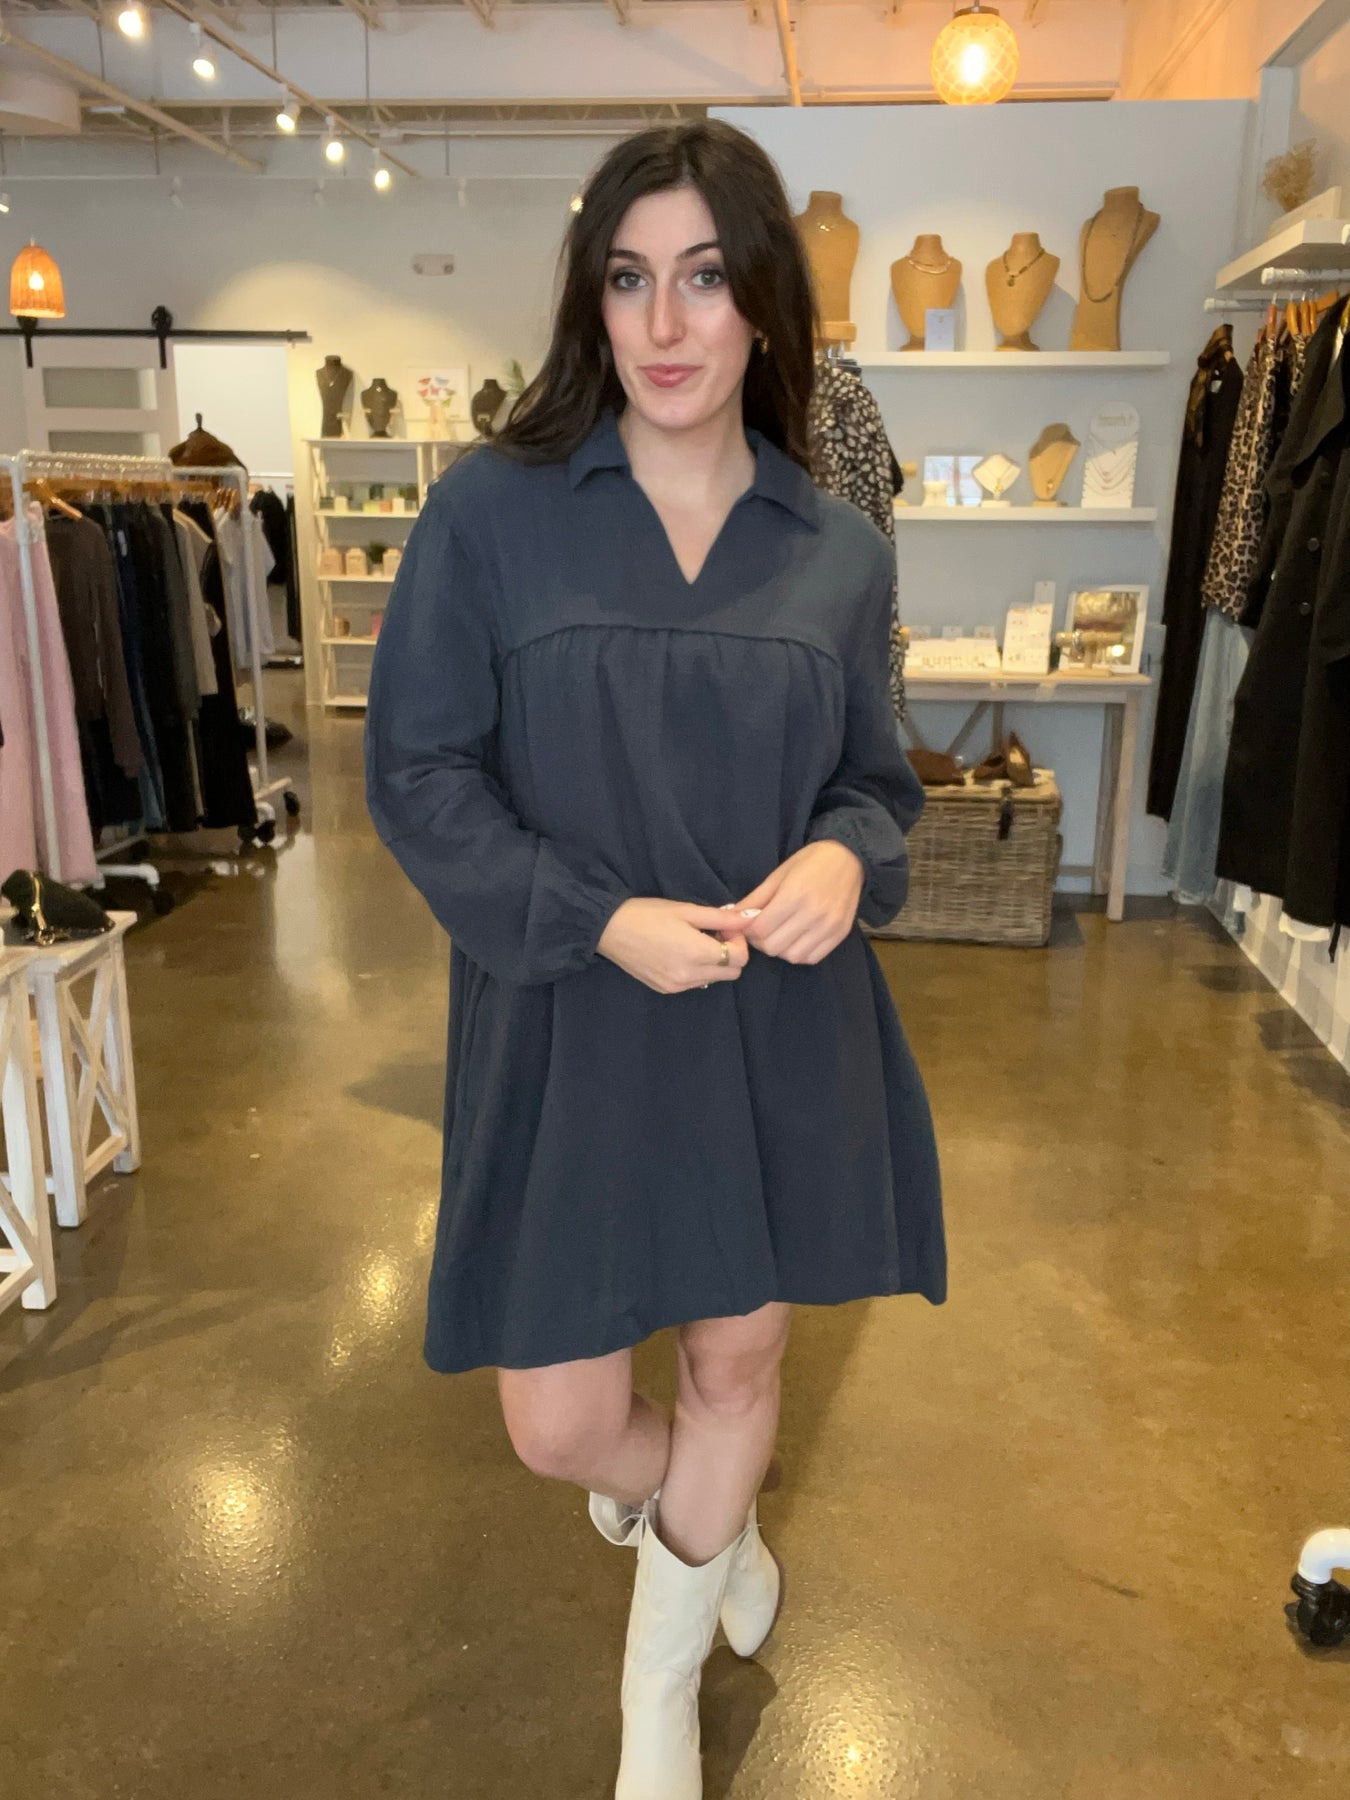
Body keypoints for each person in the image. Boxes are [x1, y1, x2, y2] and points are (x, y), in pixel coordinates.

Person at [365, 119, 945, 1800]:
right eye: (628, 281)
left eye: (703, 277)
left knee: (733, 1361)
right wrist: (592, 916)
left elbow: (873, 782)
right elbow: (418, 774)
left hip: (770, 1027)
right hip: (570, 1018)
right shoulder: (493, 514)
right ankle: (707, 1528)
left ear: (761, 300)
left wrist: (844, 853)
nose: (667, 323)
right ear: (590, 302)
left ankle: (659, 1699)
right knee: (556, 1419)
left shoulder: (834, 550)